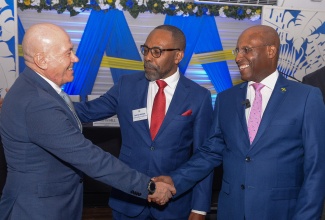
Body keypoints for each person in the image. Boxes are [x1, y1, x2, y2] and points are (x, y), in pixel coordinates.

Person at [0, 23, 175, 220]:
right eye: (68, 52)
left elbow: (70, 114)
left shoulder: (32, 89)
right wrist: (148, 186)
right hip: (38, 209)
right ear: (42, 60)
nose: (75, 58)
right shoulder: (38, 103)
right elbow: (90, 159)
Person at [152, 25, 325, 220]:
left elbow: (316, 168)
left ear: (271, 51)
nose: (237, 58)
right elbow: (211, 152)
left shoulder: (306, 97)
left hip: (281, 212)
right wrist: (175, 179)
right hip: (232, 210)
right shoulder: (226, 99)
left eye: (246, 50)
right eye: (237, 50)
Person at [74, 25, 213, 220]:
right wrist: (47, 101)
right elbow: (86, 112)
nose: (148, 57)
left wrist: (199, 208)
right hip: (128, 202)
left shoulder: (199, 97)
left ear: (178, 56)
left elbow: (204, 156)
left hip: (173, 206)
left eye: (157, 52)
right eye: (145, 50)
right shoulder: (126, 85)